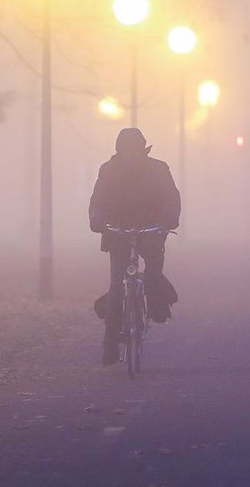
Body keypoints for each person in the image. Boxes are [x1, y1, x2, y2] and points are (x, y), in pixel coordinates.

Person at [88, 127, 181, 366]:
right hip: (121, 231)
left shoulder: (157, 169)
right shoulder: (110, 170)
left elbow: (171, 198)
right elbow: (98, 200)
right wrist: (98, 221)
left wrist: (167, 221)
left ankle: (155, 303)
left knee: (146, 275)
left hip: (147, 230)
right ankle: (111, 345)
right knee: (118, 285)